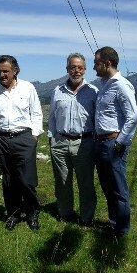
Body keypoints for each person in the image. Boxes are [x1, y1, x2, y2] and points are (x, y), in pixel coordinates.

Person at [0, 55, 43, 231]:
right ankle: (13, 214)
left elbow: (37, 113)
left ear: (15, 70)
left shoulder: (27, 88)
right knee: (8, 180)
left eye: (5, 71)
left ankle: (32, 213)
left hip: (24, 138)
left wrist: (34, 136)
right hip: (0, 139)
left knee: (27, 180)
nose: (2, 75)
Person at [48, 53, 98, 226]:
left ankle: (86, 217)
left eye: (80, 67)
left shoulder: (93, 92)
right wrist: (52, 138)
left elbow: (97, 118)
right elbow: (52, 117)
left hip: (84, 142)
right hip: (60, 142)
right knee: (62, 181)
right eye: (72, 67)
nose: (76, 70)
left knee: (85, 182)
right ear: (67, 69)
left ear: (84, 69)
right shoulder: (57, 91)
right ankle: (65, 213)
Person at [93, 46, 137, 238]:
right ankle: (113, 222)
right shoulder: (103, 83)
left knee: (118, 187)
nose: (94, 67)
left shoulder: (121, 85)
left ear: (107, 63)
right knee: (106, 184)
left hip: (113, 143)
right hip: (101, 142)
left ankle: (121, 229)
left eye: (96, 63)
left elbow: (132, 116)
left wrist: (120, 142)